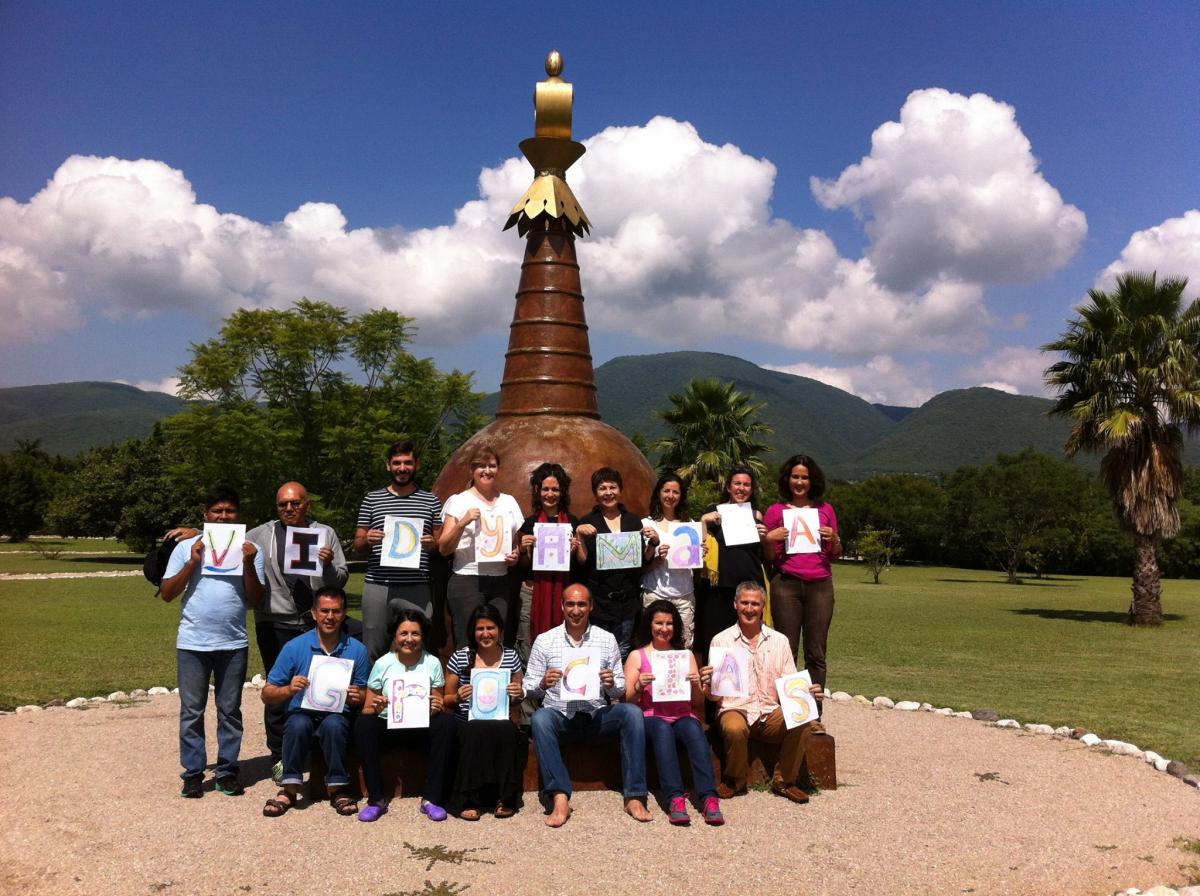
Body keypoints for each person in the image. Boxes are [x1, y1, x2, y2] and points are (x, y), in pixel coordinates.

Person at [159, 485, 266, 799]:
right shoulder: (187, 547)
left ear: (238, 516)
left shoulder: (248, 548)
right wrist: (193, 562)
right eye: (217, 511)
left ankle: (227, 771)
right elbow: (167, 593)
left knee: (229, 710)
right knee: (191, 711)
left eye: (229, 511)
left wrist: (248, 563)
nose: (223, 516)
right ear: (205, 515)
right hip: (193, 642)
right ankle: (193, 773)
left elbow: (256, 599)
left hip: (233, 642)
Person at [246, 481, 349, 784]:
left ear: (307, 505)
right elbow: (223, 540)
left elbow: (340, 580)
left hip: (313, 623)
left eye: (295, 503)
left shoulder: (325, 533)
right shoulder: (261, 534)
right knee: (279, 688)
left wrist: (328, 565)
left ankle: (318, 750)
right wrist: (196, 534)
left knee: (321, 685)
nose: (289, 509)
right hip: (275, 621)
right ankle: (279, 755)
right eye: (282, 504)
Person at [525, 583, 651, 827]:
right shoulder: (545, 640)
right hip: (560, 717)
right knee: (540, 718)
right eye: (570, 604)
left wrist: (611, 682)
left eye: (581, 604)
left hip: (595, 717)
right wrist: (542, 682)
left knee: (632, 714)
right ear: (562, 606)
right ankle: (560, 796)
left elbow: (620, 690)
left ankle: (635, 796)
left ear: (591, 606)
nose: (576, 610)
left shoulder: (606, 639)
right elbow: (528, 688)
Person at [702, 581, 822, 803]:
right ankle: (735, 780)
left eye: (755, 604)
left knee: (802, 719)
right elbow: (715, 697)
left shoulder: (780, 641)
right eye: (745, 603)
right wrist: (708, 686)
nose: (749, 608)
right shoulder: (721, 640)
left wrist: (807, 693)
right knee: (734, 728)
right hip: (735, 708)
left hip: (769, 711)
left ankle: (784, 781)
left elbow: (789, 685)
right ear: (735, 604)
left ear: (763, 607)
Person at [260, 586, 371, 817]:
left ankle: (337, 787)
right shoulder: (295, 647)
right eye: (324, 611)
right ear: (313, 613)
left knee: (334, 725)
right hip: (302, 711)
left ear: (344, 613)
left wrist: (357, 696)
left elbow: (365, 694)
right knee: (298, 724)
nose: (330, 617)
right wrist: (289, 689)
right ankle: (289, 789)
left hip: (338, 713)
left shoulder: (357, 650)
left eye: (336, 611)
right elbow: (267, 693)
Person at [624, 599, 723, 826]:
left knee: (694, 728)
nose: (664, 628)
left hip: (682, 714)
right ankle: (675, 798)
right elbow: (627, 698)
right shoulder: (637, 656)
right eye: (659, 623)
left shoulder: (685, 656)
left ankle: (709, 797)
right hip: (650, 716)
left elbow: (697, 702)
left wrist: (698, 684)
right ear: (649, 625)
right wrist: (639, 685)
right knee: (661, 729)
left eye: (669, 623)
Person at [353, 609, 458, 823]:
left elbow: (438, 705)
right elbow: (366, 708)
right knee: (364, 723)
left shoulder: (432, 663)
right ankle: (376, 800)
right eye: (403, 634)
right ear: (395, 636)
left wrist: (436, 705)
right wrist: (377, 704)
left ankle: (432, 798)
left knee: (446, 723)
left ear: (423, 636)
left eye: (415, 634)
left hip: (421, 728)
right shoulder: (383, 663)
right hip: (389, 727)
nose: (409, 639)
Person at [762, 453, 841, 727]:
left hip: (820, 584)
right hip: (786, 584)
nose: (799, 481)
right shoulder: (775, 512)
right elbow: (770, 558)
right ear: (787, 479)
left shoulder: (825, 510)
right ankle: (789, 713)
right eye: (795, 476)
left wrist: (836, 539)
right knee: (786, 650)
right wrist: (769, 540)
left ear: (812, 480)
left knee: (816, 652)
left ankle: (814, 715)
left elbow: (834, 554)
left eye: (804, 477)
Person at [355, 440, 444, 661]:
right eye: (397, 463)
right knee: (373, 648)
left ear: (417, 465)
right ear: (388, 465)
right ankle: (374, 694)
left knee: (417, 645)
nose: (402, 468)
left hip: (416, 584)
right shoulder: (372, 499)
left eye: (407, 463)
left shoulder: (430, 501)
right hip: (378, 583)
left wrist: (432, 545)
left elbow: (440, 545)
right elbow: (358, 545)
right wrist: (367, 540)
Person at [443, 604, 525, 819]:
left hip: (499, 719)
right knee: (474, 731)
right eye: (480, 629)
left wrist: (518, 693)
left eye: (491, 628)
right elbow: (446, 699)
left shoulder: (511, 656)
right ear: (472, 631)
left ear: (500, 629)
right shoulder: (461, 657)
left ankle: (505, 798)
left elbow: (516, 700)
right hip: (467, 721)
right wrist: (459, 696)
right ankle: (469, 799)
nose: (486, 634)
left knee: (507, 731)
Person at [439, 443, 522, 649]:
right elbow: (444, 548)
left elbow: (515, 544)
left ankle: (492, 681)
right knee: (467, 639)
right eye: (481, 466)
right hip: (467, 579)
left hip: (500, 580)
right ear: (472, 470)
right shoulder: (459, 501)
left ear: (498, 469)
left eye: (492, 465)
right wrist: (462, 522)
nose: (487, 471)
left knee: (496, 640)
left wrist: (515, 556)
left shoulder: (509, 502)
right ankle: (466, 680)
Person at [575, 467, 650, 660]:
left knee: (623, 649)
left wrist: (654, 543)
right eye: (602, 488)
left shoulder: (633, 521)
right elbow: (582, 561)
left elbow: (642, 560)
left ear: (620, 489)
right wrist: (579, 536)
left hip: (628, 600)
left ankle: (619, 689)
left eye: (613, 487)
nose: (608, 493)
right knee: (598, 650)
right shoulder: (587, 522)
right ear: (595, 493)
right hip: (599, 600)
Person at [697, 466, 770, 660]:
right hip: (719, 587)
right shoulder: (714, 512)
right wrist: (703, 521)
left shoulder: (756, 515)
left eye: (746, 484)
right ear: (728, 487)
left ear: (752, 489)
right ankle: (712, 686)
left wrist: (764, 537)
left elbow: (763, 554)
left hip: (749, 587)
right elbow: (699, 547)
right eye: (737, 483)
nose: (741, 488)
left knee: (749, 640)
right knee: (714, 639)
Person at [517, 462, 587, 649]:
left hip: (564, 590)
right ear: (537, 491)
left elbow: (581, 566)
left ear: (562, 491)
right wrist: (524, 549)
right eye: (545, 489)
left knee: (564, 642)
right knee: (531, 644)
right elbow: (523, 568)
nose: (550, 494)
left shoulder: (572, 523)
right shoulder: (529, 524)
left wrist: (574, 549)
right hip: (534, 592)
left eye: (555, 489)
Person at [640, 473, 703, 648]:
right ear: (658, 493)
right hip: (655, 593)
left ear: (681, 496)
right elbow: (641, 564)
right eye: (666, 491)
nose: (670, 496)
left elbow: (695, 564)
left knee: (684, 644)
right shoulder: (646, 524)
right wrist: (656, 556)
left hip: (684, 596)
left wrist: (700, 553)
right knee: (652, 643)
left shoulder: (689, 524)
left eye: (675, 492)